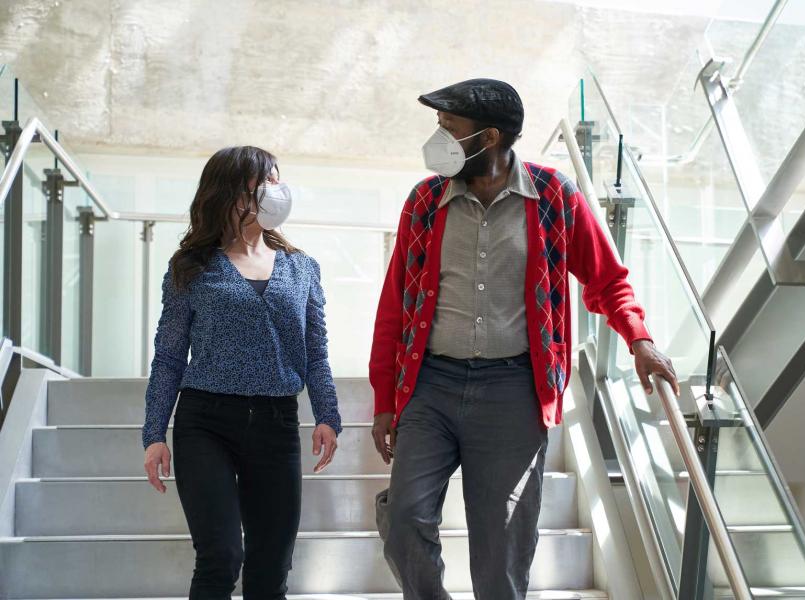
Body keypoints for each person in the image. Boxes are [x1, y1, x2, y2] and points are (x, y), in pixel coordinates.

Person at [369, 79, 679, 599]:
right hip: (431, 386)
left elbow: (606, 281)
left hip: (513, 392)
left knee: (503, 547)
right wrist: (384, 399)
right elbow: (394, 306)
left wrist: (639, 339)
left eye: (451, 128)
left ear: (488, 138)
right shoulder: (424, 202)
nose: (439, 138)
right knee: (404, 519)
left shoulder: (556, 197)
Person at [141, 146, 342, 600]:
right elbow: (169, 357)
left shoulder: (302, 268)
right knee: (221, 556)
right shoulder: (191, 267)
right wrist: (154, 433)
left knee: (271, 568)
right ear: (233, 192)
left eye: (278, 179)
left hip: (276, 424)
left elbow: (316, 353)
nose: (278, 190)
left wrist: (328, 414)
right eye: (266, 181)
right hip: (205, 424)